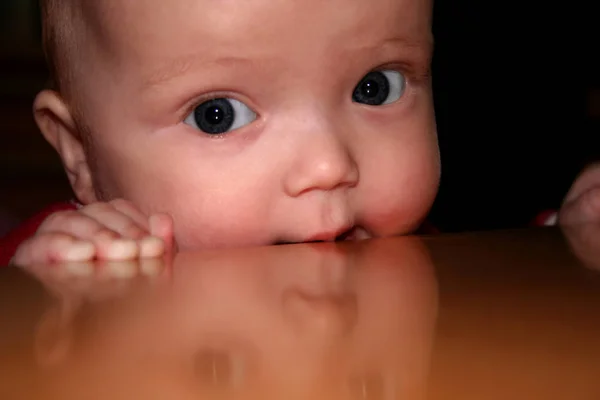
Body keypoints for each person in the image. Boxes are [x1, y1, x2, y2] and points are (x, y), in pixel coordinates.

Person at [0, 0, 597, 266]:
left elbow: (492, 303)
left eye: (376, 87)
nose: (327, 164)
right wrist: (60, 302)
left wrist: (563, 242)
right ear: (80, 156)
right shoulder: (73, 259)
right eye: (218, 114)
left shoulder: (407, 254)